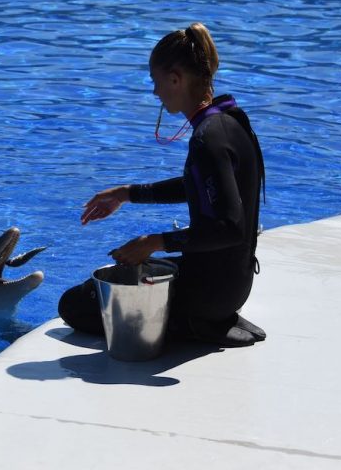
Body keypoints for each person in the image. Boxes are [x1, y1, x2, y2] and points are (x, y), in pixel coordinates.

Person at [58, 23, 266, 347]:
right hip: (232, 285)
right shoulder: (229, 121)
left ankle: (193, 324)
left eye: (156, 82)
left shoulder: (206, 139)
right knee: (129, 272)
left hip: (209, 294)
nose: (155, 92)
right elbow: (197, 186)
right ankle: (211, 318)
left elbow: (229, 227)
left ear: (175, 79)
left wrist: (155, 242)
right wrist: (127, 194)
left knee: (74, 304)